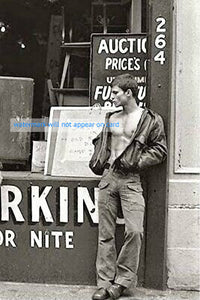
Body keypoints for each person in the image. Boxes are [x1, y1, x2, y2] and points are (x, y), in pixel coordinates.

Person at [89, 73, 167, 300]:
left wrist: (135, 163)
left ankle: (122, 282)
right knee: (105, 234)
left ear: (128, 93)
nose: (111, 96)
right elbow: (102, 142)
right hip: (108, 177)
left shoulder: (150, 119)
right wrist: (98, 158)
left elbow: (160, 150)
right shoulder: (111, 117)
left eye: (115, 92)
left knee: (134, 231)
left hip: (131, 179)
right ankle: (103, 284)